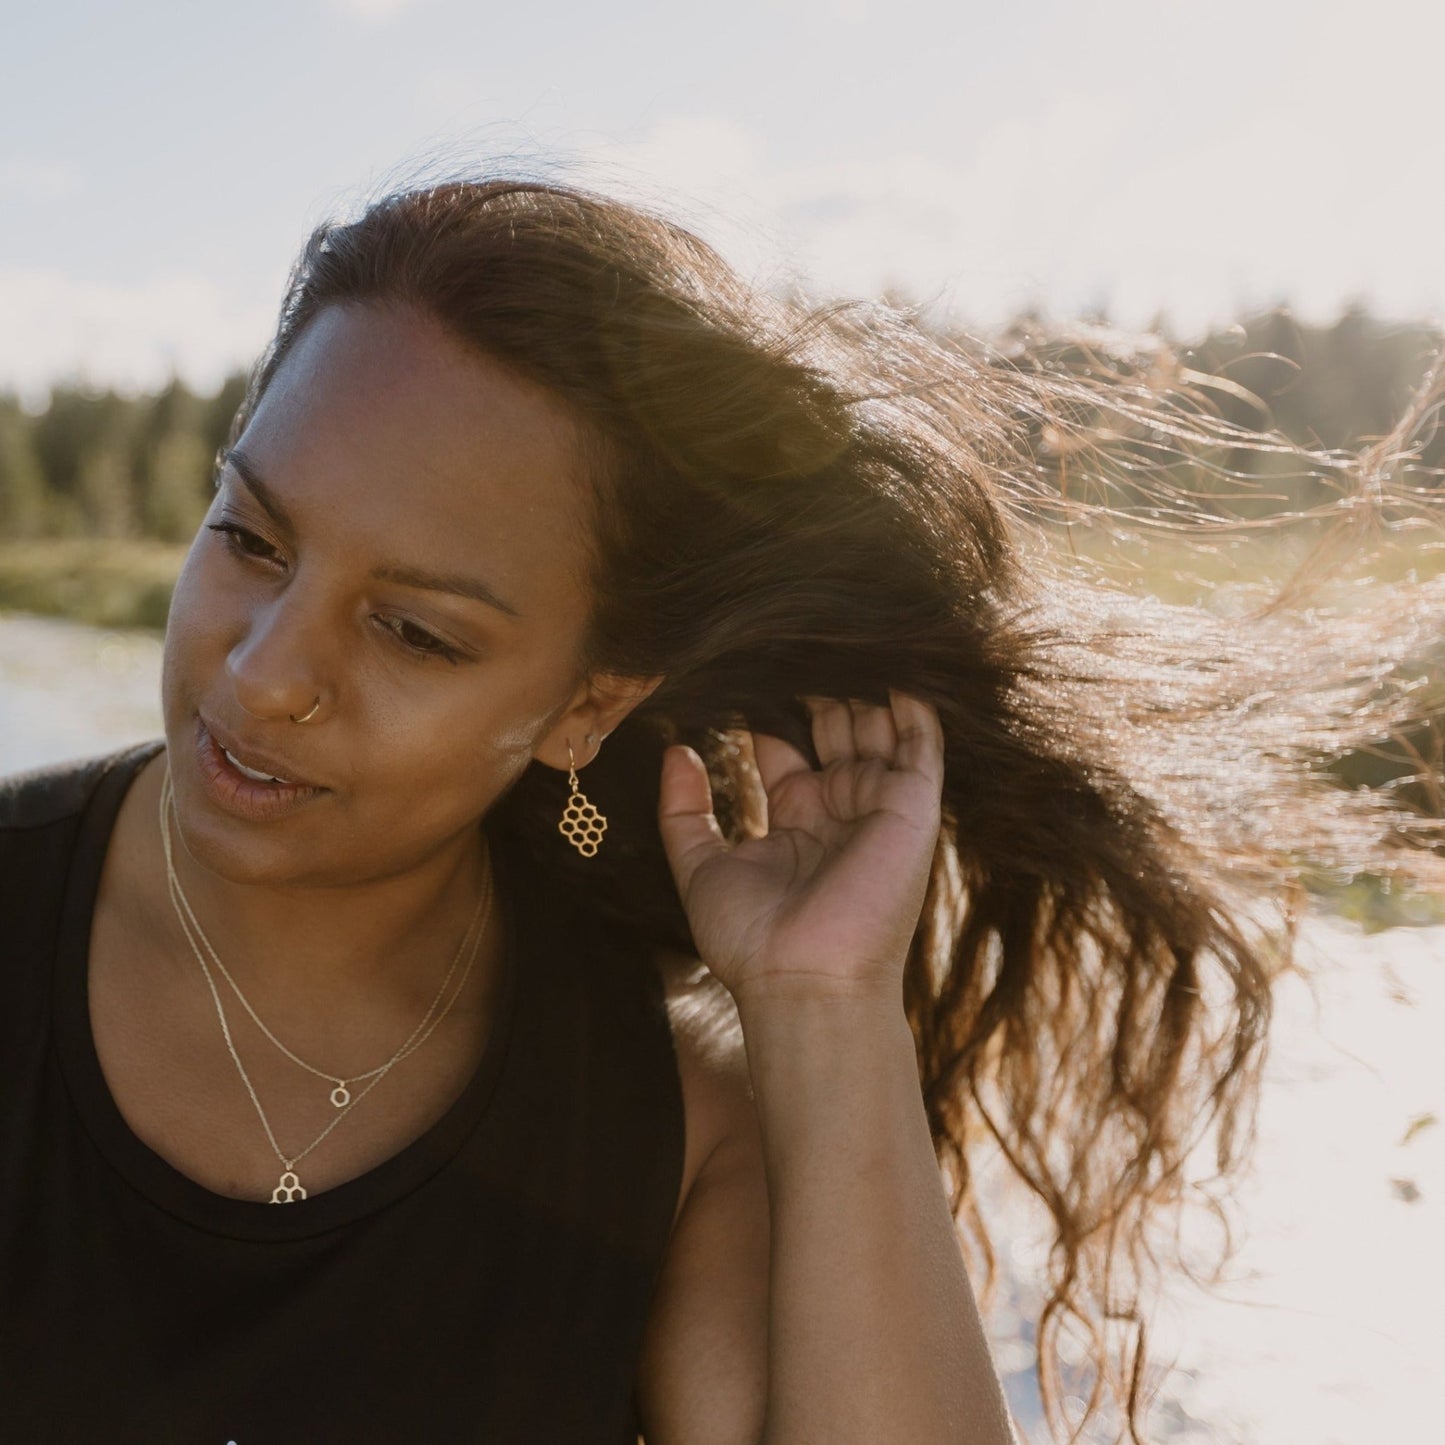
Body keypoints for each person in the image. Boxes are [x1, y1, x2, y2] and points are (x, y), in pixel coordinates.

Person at [1, 175, 1441, 1445]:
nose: (262, 675)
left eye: (414, 632)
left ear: (587, 705)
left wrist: (824, 1010)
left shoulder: (670, 1137)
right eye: (249, 538)